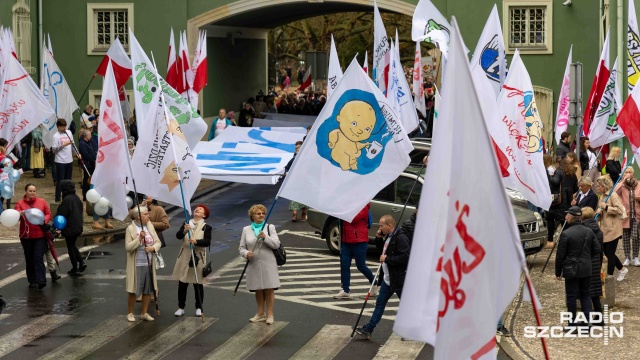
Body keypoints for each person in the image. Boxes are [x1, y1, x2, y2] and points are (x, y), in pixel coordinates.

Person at [355, 215, 410, 339]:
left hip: (399, 279)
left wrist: (388, 259)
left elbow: (405, 257)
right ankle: (368, 329)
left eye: (381, 225)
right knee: (380, 303)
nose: (380, 228)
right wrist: (379, 239)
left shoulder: (400, 238)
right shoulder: (388, 237)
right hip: (388, 279)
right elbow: (382, 253)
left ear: (389, 226)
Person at [555, 206, 599, 328]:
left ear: (570, 217)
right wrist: (587, 258)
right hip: (586, 268)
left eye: (567, 215)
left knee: (571, 296)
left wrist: (558, 271)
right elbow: (597, 249)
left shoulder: (566, 234)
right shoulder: (588, 231)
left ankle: (572, 323)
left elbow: (560, 256)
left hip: (571, 269)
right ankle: (587, 323)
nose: (565, 217)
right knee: (585, 294)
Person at [239, 204, 280, 324]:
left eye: (263, 213)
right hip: (254, 263)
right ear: (252, 216)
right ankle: (260, 313)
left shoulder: (269, 228)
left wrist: (265, 237)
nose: (261, 215)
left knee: (269, 287)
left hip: (268, 262)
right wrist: (246, 253)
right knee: (258, 288)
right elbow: (241, 248)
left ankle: (270, 314)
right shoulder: (246, 229)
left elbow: (276, 244)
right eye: (258, 213)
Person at [173, 204, 212, 317]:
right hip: (185, 256)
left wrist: (196, 241)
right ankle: (181, 307)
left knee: (198, 283)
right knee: (182, 282)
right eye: (197, 209)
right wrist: (184, 230)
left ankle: (199, 307)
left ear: (204, 215)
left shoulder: (206, 227)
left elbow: (207, 242)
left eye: (200, 210)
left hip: (198, 257)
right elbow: (178, 236)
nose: (197, 210)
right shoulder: (186, 223)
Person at [125, 206, 161, 322]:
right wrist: (139, 238)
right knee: (133, 289)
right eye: (146, 214)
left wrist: (152, 248)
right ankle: (130, 313)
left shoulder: (149, 226)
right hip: (136, 264)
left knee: (148, 289)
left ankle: (144, 313)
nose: (148, 216)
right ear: (139, 216)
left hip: (149, 263)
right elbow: (128, 247)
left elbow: (158, 242)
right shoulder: (130, 228)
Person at [334, 204, 377, 299]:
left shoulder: (363, 206)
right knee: (344, 265)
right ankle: (345, 290)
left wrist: (343, 210)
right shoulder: (348, 206)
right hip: (346, 241)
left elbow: (352, 219)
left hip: (360, 241)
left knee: (361, 266)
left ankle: (374, 283)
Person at [15, 184, 53, 289]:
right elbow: (15, 216)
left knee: (38, 257)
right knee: (29, 258)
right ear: (26, 191)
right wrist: (20, 214)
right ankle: (32, 280)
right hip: (26, 236)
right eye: (30, 191)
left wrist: (44, 220)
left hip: (39, 235)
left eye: (34, 191)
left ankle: (41, 280)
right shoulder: (20, 203)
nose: (32, 193)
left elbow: (48, 213)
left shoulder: (41, 202)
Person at [595, 175, 628, 281]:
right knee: (607, 252)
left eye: (599, 185)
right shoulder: (602, 196)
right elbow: (602, 210)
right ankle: (622, 269)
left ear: (604, 186)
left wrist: (607, 207)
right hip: (605, 229)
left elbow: (619, 210)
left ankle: (610, 275)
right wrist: (599, 212)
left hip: (614, 229)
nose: (597, 187)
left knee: (610, 253)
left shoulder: (612, 195)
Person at [55, 180, 86, 275]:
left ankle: (75, 267)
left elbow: (62, 214)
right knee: (73, 245)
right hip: (78, 226)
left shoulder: (67, 200)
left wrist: (57, 226)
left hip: (70, 227)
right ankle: (81, 262)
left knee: (70, 247)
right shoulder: (76, 198)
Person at [580, 207, 604, 319]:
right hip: (596, 263)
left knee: (586, 293)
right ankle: (599, 317)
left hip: (586, 263)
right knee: (595, 292)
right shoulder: (599, 231)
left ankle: (587, 318)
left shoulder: (584, 230)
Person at [614, 166, 640, 267]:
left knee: (635, 237)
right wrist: (622, 181)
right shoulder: (621, 185)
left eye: (630, 172)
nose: (628, 174)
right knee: (625, 237)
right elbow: (614, 193)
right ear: (623, 174)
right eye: (626, 172)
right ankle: (627, 257)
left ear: (633, 174)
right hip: (625, 215)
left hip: (636, 215)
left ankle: (635, 257)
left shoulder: (638, 184)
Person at [52, 119, 80, 203]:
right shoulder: (55, 136)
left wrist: (77, 153)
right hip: (60, 160)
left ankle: (67, 197)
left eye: (65, 126)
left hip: (69, 159)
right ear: (58, 127)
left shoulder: (69, 133)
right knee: (60, 180)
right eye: (62, 127)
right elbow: (54, 150)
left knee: (68, 180)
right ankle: (57, 198)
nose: (64, 128)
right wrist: (63, 145)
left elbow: (73, 144)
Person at [78, 130, 96, 202]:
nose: (91, 136)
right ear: (86, 136)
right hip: (87, 164)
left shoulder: (90, 142)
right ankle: (85, 195)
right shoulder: (82, 144)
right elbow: (86, 154)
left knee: (91, 179)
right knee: (86, 179)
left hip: (92, 163)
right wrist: (93, 158)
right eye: (89, 135)